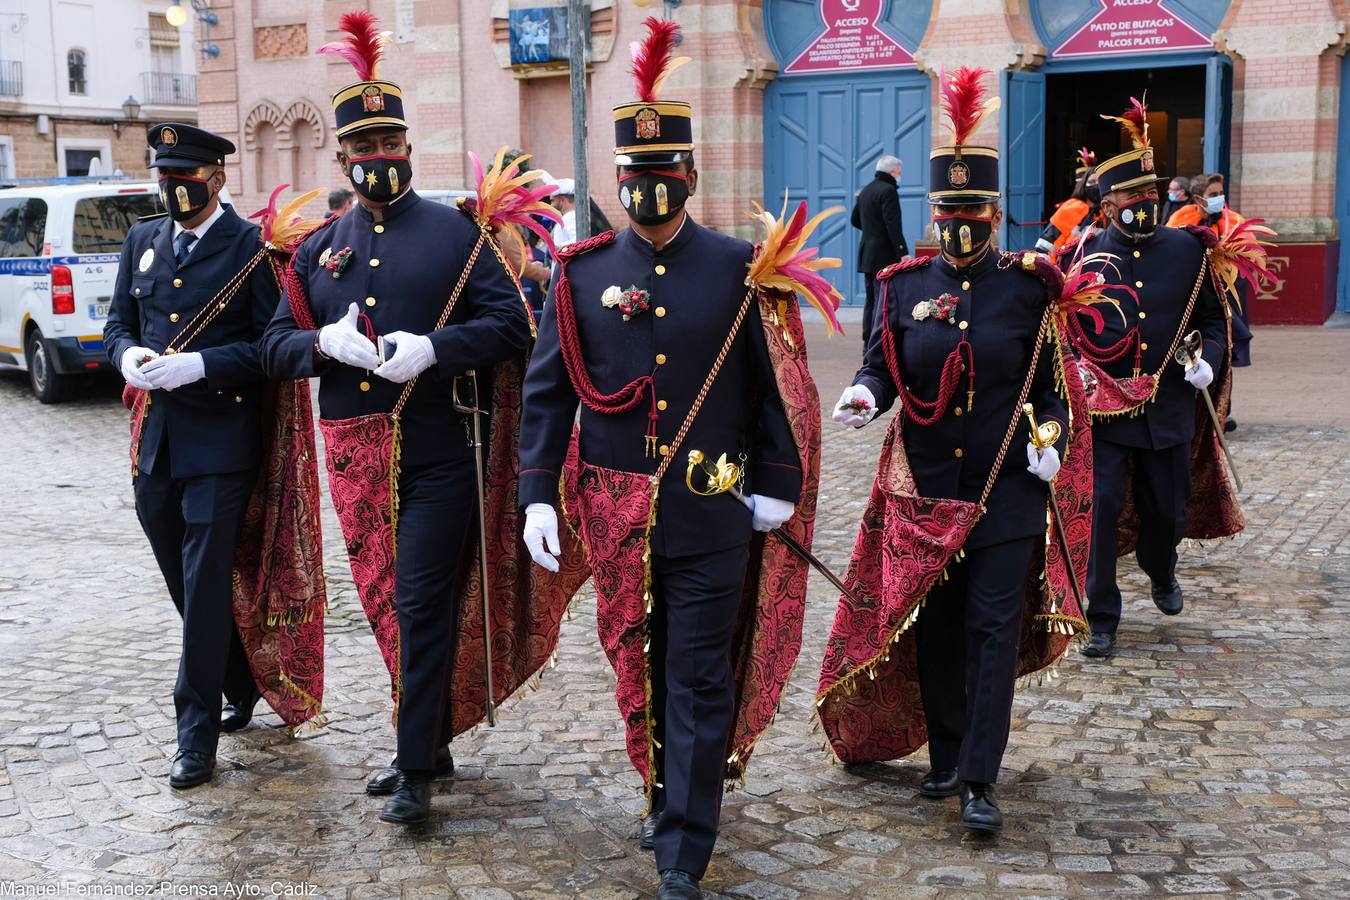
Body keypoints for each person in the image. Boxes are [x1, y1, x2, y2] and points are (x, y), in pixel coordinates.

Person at [517, 18, 822, 899]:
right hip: (613, 515)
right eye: (634, 177)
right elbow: (548, 393)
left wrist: (779, 483)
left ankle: (686, 841)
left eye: (664, 175)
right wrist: (539, 494)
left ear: (689, 175)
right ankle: (661, 791)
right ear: (616, 181)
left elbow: (777, 391)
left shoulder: (740, 269)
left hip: (710, 508)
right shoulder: (576, 274)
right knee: (636, 663)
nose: (649, 190)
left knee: (695, 667)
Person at [261, 12, 538, 827]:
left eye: (389, 146)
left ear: (408, 149)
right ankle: (432, 737)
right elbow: (277, 343)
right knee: (388, 604)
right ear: (342, 156)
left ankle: (414, 767)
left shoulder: (458, 233)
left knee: (420, 599)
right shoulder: (319, 249)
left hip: (438, 451)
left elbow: (511, 328)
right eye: (361, 149)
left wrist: (437, 348)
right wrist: (324, 344)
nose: (376, 160)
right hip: (354, 458)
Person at [818, 66, 1088, 836]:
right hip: (926, 487)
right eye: (948, 211)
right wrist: (867, 394)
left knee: (991, 626)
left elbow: (1053, 391)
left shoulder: (1032, 287)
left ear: (996, 214)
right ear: (931, 214)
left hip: (1008, 485)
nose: (961, 222)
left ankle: (979, 776)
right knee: (932, 622)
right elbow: (883, 363)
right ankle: (943, 752)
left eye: (975, 210)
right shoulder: (902, 285)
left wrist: (1052, 443)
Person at [103, 123, 327, 789]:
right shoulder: (143, 239)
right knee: (180, 578)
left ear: (219, 179)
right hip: (157, 442)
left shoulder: (251, 250)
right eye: (166, 176)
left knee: (204, 586)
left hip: (223, 445)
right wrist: (128, 356)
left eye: (188, 177)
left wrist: (200, 365)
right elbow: (119, 322)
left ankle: (194, 733)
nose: (176, 188)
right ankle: (238, 675)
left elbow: (272, 346)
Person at [1060, 97, 1241, 660]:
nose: (1142, 204)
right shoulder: (1084, 254)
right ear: (1108, 204)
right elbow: (1065, 329)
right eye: (1129, 197)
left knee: (1167, 509)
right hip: (1106, 409)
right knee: (1103, 504)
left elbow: (1215, 319)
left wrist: (1210, 358)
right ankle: (1102, 616)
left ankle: (1161, 567)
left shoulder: (1188, 249)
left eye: (1148, 194)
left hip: (1168, 404)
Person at [1167, 173, 1253, 428]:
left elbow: (1248, 255)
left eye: (1220, 193)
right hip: (1191, 297)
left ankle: (1222, 413)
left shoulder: (1234, 220)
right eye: (1213, 194)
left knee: (1224, 351)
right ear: (1198, 198)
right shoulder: (1181, 218)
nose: (1219, 199)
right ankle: (1193, 412)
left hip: (1226, 295)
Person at [851, 154, 908, 349]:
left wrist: (872, 231)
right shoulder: (888, 190)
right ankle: (879, 344)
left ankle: (868, 342)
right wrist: (903, 252)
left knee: (871, 301)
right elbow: (893, 225)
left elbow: (855, 220)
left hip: (867, 254)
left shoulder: (865, 190)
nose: (899, 176)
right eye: (899, 173)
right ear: (892, 172)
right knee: (883, 300)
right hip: (884, 255)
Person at [1035, 147, 1096, 254]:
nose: (1096, 186)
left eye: (1099, 182)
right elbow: (1048, 242)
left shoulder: (1105, 211)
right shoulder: (1076, 206)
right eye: (1092, 182)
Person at [549, 177, 578, 249]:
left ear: (562, 200)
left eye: (552, 201)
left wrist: (557, 248)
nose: (551, 205)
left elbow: (579, 240)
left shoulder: (570, 217)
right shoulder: (569, 217)